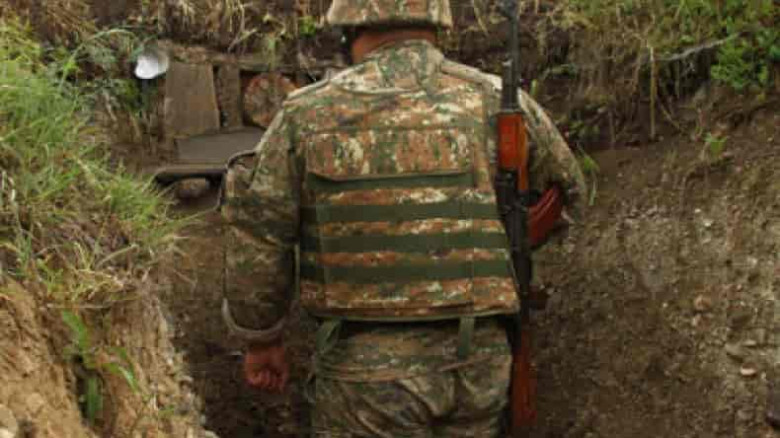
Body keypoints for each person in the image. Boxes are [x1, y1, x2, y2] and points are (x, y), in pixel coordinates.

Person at [220, 0, 586, 435]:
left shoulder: (306, 113)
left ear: (349, 29)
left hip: (367, 371)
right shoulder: (495, 98)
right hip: (480, 365)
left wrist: (262, 338)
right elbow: (567, 192)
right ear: (436, 22)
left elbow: (261, 235)